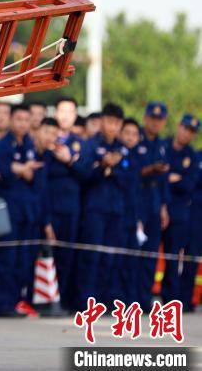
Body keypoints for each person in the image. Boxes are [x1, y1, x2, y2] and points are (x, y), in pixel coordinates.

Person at [0, 104, 44, 316]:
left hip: (27, 212)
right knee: (5, 258)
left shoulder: (31, 145)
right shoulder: (1, 146)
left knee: (22, 260)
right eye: (18, 119)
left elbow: (36, 175)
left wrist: (20, 169)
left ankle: (15, 301)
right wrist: (20, 170)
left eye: (25, 119)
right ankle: (0, 303)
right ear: (11, 120)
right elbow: (0, 172)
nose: (22, 123)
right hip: (7, 211)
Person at [75, 103, 132, 309]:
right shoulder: (90, 145)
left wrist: (113, 169)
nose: (113, 126)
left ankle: (105, 301)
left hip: (116, 210)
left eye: (117, 123)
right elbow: (83, 173)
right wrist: (102, 166)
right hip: (95, 209)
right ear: (102, 122)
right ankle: (85, 302)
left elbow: (129, 178)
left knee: (111, 257)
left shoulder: (122, 148)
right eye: (109, 121)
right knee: (91, 256)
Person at [44, 97, 91, 311]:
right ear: (56, 114)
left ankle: (65, 300)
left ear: (75, 115)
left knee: (68, 256)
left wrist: (70, 160)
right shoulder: (46, 140)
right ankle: (45, 300)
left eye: (70, 112)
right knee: (46, 255)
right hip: (50, 205)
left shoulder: (82, 143)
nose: (65, 115)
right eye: (61, 111)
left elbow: (88, 173)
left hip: (72, 208)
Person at [133, 101, 171, 308]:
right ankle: (131, 296)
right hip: (139, 197)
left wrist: (164, 206)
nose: (155, 123)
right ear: (146, 118)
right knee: (134, 251)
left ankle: (145, 297)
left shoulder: (162, 144)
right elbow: (133, 172)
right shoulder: (136, 139)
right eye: (152, 118)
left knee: (151, 252)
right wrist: (150, 169)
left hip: (155, 199)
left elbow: (164, 179)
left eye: (160, 120)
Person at [160, 114, 199, 304]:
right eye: (185, 128)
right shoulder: (163, 146)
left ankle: (172, 299)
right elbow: (160, 178)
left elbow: (189, 184)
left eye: (192, 131)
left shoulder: (191, 155)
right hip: (157, 207)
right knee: (148, 256)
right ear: (178, 126)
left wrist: (172, 178)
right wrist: (172, 178)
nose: (187, 133)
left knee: (174, 257)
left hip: (179, 213)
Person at [114, 117, 144, 305]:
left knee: (133, 261)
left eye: (134, 134)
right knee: (116, 260)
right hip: (117, 214)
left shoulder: (139, 157)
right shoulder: (116, 154)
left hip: (133, 215)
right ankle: (115, 299)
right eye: (127, 133)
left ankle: (130, 300)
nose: (131, 137)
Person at [180, 146, 202, 311]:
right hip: (196, 213)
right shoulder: (196, 156)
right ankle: (186, 299)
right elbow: (189, 183)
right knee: (191, 257)